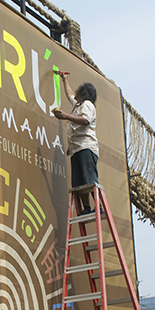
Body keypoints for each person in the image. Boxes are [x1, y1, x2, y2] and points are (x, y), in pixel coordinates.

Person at [52, 71, 99, 215]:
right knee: (79, 183)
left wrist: (66, 116)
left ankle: (98, 208)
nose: (76, 90)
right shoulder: (78, 106)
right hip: (76, 150)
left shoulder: (87, 105)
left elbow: (85, 120)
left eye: (79, 88)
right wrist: (64, 79)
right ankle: (86, 208)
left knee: (89, 180)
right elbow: (69, 94)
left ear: (84, 93)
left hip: (86, 148)